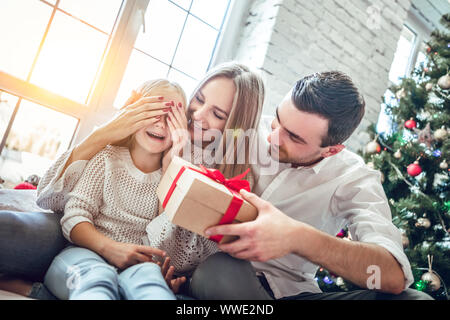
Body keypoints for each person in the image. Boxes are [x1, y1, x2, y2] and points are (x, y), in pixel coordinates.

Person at [0, 62, 265, 299]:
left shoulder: (225, 181)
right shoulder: (112, 157)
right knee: (88, 277)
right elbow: (50, 199)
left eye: (217, 114)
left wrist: (172, 168)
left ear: (235, 127)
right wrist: (106, 133)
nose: (197, 115)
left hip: (145, 265)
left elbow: (174, 254)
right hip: (88, 245)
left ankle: (32, 289)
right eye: (198, 99)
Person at [189, 71, 433, 300]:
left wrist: (297, 237)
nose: (272, 137)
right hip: (222, 274)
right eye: (278, 119)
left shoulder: (352, 177)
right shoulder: (246, 129)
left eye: (294, 137)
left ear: (332, 150)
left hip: (293, 292)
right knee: (218, 271)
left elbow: (391, 276)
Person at [42, 79, 189, 300]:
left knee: (154, 291)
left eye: (171, 118)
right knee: (96, 283)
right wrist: (109, 248)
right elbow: (74, 216)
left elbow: (163, 240)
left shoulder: (173, 179)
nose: (161, 125)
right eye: (153, 112)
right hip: (86, 255)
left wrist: (172, 165)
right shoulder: (107, 158)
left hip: (140, 268)